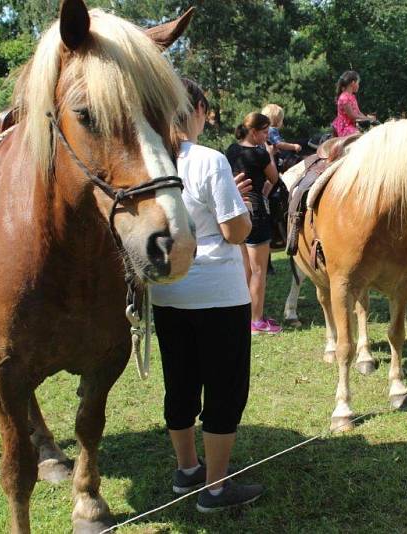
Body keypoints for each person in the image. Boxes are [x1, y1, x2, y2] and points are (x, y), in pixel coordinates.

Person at [151, 79, 264, 512]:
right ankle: (216, 489)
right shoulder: (208, 160)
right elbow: (236, 231)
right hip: (218, 293)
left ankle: (187, 471)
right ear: (196, 108)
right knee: (224, 389)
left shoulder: (149, 159)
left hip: (168, 293)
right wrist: (236, 202)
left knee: (179, 384)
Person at [226, 112, 283, 334]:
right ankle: (257, 321)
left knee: (245, 269)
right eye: (265, 131)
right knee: (259, 270)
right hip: (257, 214)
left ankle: (244, 316)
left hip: (237, 212)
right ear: (254, 132)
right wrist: (269, 155)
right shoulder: (260, 154)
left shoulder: (231, 150)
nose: (268, 135)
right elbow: (274, 178)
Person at [331, 70, 375, 138]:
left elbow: (358, 113)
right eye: (358, 83)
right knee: (361, 137)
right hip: (345, 127)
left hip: (353, 126)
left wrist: (368, 119)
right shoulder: (344, 98)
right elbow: (353, 116)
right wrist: (368, 119)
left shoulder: (352, 97)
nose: (358, 85)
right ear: (353, 83)